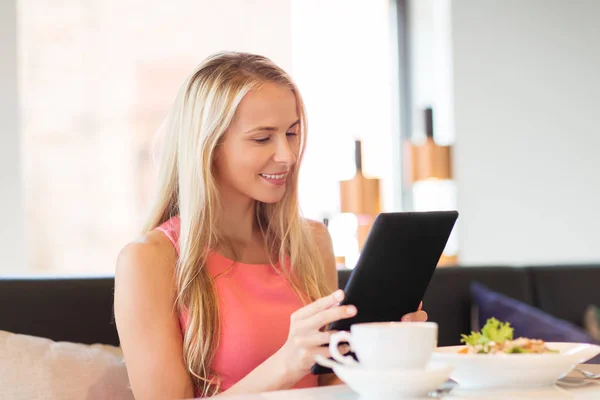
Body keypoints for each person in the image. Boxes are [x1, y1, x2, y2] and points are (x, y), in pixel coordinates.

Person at [114, 51, 428, 399]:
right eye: (263, 138)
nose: (288, 155)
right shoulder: (149, 260)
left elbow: (330, 386)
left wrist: (384, 351)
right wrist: (285, 364)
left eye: (291, 134)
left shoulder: (311, 241)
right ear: (207, 147)